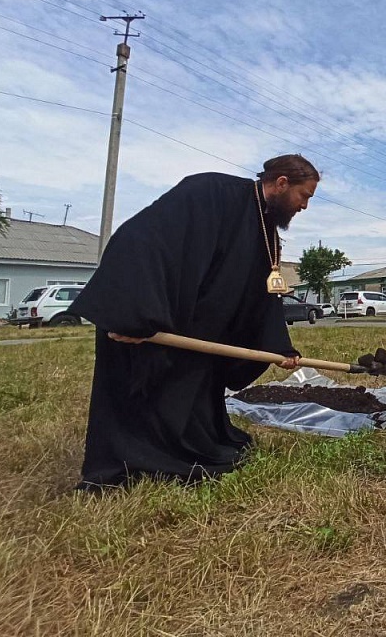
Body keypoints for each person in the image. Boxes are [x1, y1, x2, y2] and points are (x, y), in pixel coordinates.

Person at [68, 155, 319, 490]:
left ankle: (188, 448)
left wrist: (278, 348)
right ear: (282, 183)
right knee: (137, 389)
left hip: (196, 333)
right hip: (150, 316)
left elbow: (257, 296)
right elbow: (143, 239)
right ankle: (126, 463)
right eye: (305, 196)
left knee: (195, 389)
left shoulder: (265, 230)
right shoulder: (211, 191)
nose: (304, 206)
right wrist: (136, 315)